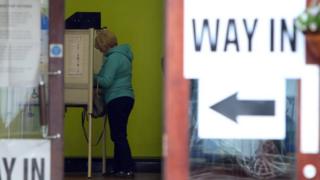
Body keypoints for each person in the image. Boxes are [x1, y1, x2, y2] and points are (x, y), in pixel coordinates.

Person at [94, 29, 135, 177]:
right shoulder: (123, 56)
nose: (100, 51)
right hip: (126, 98)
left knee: (118, 135)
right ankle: (119, 167)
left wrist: (90, 78)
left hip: (117, 99)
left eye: (100, 48)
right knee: (119, 134)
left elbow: (106, 81)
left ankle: (128, 167)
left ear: (104, 45)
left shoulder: (114, 58)